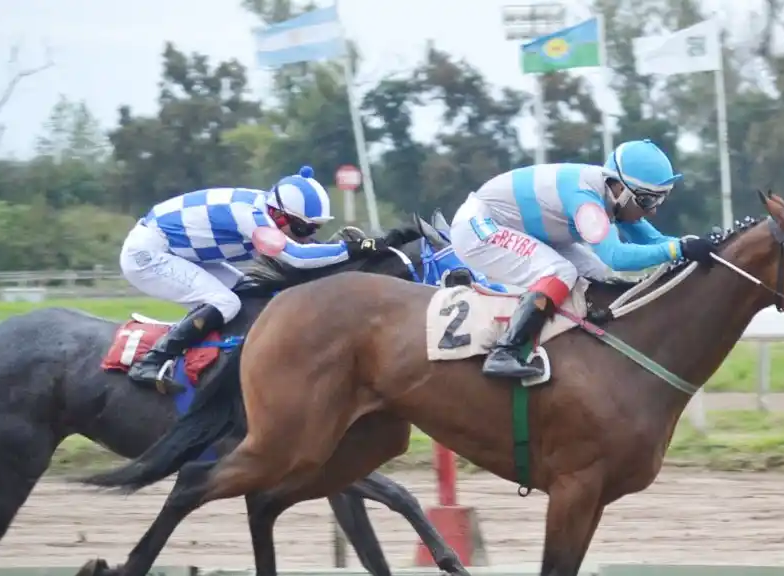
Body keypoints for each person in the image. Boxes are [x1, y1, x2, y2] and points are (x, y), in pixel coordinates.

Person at [448, 138, 719, 380]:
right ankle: (504, 352)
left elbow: (655, 241)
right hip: (479, 226)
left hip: (518, 227)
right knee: (560, 272)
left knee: (596, 273)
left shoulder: (614, 195)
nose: (653, 212)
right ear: (620, 189)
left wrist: (697, 244)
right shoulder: (586, 201)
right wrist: (679, 249)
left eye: (660, 202)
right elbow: (618, 257)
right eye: (648, 202)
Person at [118, 165, 401, 392]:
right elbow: (299, 258)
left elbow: (305, 250)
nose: (307, 235)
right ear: (279, 215)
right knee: (225, 303)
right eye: (303, 227)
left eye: (314, 228)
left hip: (180, 252)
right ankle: (152, 361)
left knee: (248, 292)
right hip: (147, 253)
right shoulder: (252, 218)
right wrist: (353, 248)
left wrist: (354, 249)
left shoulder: (268, 210)